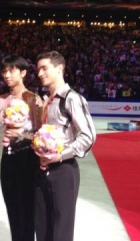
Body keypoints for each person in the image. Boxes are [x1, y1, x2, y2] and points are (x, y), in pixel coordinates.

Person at [34, 50, 96, 241]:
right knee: (42, 226)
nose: (39, 74)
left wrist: (60, 155)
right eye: (38, 70)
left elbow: (88, 136)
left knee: (61, 230)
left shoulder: (71, 98)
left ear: (59, 68)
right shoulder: (46, 100)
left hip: (63, 170)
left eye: (44, 68)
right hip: (41, 169)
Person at [0, 55, 43, 241]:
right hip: (8, 161)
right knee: (12, 210)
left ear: (23, 73)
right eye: (4, 71)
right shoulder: (3, 100)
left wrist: (22, 135)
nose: (7, 75)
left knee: (27, 213)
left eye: (11, 71)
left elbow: (43, 137)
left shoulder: (34, 100)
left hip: (28, 161)